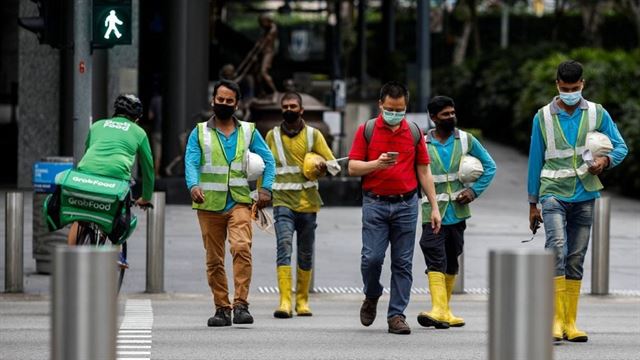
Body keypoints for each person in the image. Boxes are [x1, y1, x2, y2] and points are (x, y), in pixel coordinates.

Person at [527, 60, 628, 342]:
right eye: (564, 88)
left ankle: (570, 323)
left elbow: (621, 146)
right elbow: (535, 160)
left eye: (574, 88)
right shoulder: (542, 117)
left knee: (575, 259)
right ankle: (554, 321)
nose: (570, 92)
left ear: (582, 84)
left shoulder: (597, 113)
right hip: (552, 193)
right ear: (557, 85)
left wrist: (604, 161)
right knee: (556, 248)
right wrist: (532, 203)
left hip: (585, 194)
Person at [348, 81, 442, 335]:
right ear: (381, 105)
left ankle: (396, 315)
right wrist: (376, 164)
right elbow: (353, 167)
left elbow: (424, 170)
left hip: (407, 204)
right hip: (375, 203)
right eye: (390, 108)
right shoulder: (366, 130)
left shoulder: (413, 132)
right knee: (372, 259)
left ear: (406, 107)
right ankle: (372, 293)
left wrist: (434, 207)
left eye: (400, 109)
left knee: (402, 263)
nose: (395, 114)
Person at [184, 79, 276, 327]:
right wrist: (193, 185)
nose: (223, 104)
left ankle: (241, 305)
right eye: (220, 100)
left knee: (241, 248)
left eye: (229, 101)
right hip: (208, 204)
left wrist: (265, 189)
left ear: (237, 104)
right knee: (213, 260)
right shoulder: (200, 132)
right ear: (213, 101)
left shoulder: (248, 131)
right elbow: (191, 162)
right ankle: (222, 308)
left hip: (239, 202)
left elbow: (269, 160)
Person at [416, 96, 496, 329]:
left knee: (452, 258)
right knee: (433, 252)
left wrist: (474, 191)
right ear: (433, 118)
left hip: (457, 213)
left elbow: (490, 166)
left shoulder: (467, 140)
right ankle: (438, 309)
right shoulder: (422, 143)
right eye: (445, 114)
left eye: (452, 113)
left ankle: (445, 310)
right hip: (431, 212)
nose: (451, 117)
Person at [265, 91, 339, 319]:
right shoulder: (272, 136)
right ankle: (285, 300)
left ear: (301, 110)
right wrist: (262, 194)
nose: (289, 109)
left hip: (308, 205)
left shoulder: (314, 135)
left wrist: (321, 166)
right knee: (284, 247)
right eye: (285, 106)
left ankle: (302, 301)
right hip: (282, 202)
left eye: (293, 106)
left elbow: (334, 165)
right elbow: (266, 168)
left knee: (306, 253)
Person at [68, 94, 155, 254]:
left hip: (85, 175)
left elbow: (87, 153)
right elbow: (148, 168)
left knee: (80, 218)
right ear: (137, 117)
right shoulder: (139, 132)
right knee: (118, 217)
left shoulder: (97, 125)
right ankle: (115, 254)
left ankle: (72, 258)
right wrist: (146, 197)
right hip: (115, 180)